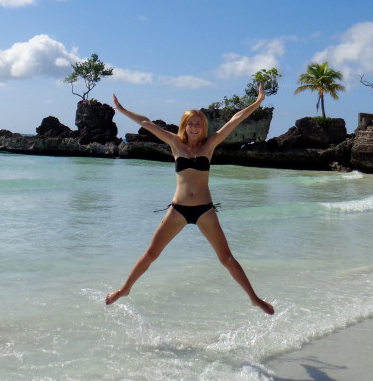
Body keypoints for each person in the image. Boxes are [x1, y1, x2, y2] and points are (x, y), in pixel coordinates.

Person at [105, 86, 275, 315]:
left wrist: (257, 102)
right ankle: (124, 289)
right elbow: (146, 123)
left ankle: (254, 298)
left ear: (203, 127)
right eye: (190, 123)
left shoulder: (210, 144)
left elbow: (235, 119)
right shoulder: (175, 143)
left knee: (226, 258)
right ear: (183, 125)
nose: (194, 127)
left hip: (205, 210)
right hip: (178, 210)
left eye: (198, 124)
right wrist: (122, 109)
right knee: (151, 254)